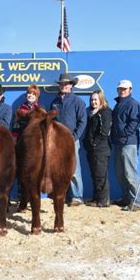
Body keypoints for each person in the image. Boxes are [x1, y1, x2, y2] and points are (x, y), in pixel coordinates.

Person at [50, 73, 87, 207]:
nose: (64, 86)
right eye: (61, 84)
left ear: (71, 85)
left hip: (72, 140)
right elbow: (51, 121)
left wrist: (74, 137)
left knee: (74, 169)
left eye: (66, 84)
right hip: (57, 141)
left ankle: (77, 197)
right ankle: (62, 195)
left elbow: (82, 121)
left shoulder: (78, 101)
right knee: (59, 169)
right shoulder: (55, 102)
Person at [111, 79, 140, 211]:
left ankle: (136, 201)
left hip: (128, 143)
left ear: (130, 90)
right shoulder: (118, 104)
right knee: (120, 172)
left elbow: (135, 122)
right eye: (120, 89)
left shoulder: (132, 103)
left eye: (124, 89)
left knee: (130, 173)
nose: (122, 91)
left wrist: (124, 133)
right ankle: (127, 198)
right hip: (118, 143)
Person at [83, 90, 112, 208]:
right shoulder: (92, 113)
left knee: (101, 175)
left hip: (101, 149)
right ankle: (96, 198)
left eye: (96, 99)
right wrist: (88, 144)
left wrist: (94, 144)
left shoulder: (105, 112)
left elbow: (104, 132)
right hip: (92, 150)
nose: (93, 102)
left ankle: (103, 200)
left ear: (101, 99)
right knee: (95, 175)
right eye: (92, 100)